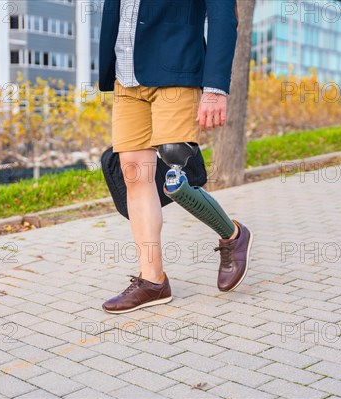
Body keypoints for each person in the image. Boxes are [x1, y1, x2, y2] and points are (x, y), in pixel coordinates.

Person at [98, 0, 253, 314]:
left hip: (176, 71)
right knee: (133, 174)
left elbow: (223, 15)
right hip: (126, 76)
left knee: (176, 175)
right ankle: (153, 281)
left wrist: (214, 89)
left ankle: (233, 235)